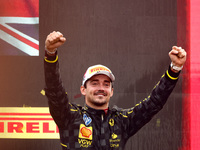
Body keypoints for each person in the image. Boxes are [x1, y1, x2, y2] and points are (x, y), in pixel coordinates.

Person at [44, 31, 187, 150]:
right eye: (95, 83)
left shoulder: (121, 121)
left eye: (106, 84)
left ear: (112, 91)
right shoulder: (69, 116)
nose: (101, 88)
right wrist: (50, 53)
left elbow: (154, 102)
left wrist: (175, 69)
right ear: (83, 89)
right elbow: (54, 90)